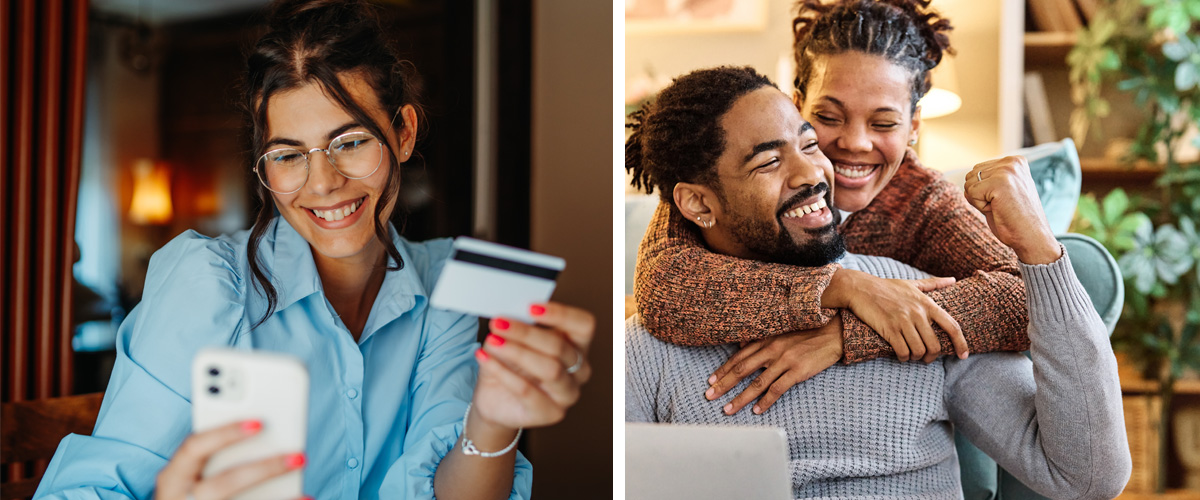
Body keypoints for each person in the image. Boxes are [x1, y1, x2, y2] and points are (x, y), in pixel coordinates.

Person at [34, 1, 593, 499]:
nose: (321, 183)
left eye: (349, 142)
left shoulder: (444, 281)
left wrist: (492, 422)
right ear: (263, 167)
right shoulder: (207, 281)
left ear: (402, 132)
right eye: (288, 154)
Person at [624, 65, 1131, 499]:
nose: (813, 172)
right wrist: (835, 290)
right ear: (697, 204)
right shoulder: (652, 341)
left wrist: (1040, 250)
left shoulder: (917, 302)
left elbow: (1086, 477)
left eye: (807, 144)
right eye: (770, 161)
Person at [631, 0, 1034, 406]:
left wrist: (847, 331)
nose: (855, 143)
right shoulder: (731, 193)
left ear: (913, 128)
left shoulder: (922, 201)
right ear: (796, 104)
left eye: (883, 123)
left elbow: (1030, 301)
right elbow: (664, 288)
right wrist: (844, 287)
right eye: (829, 117)